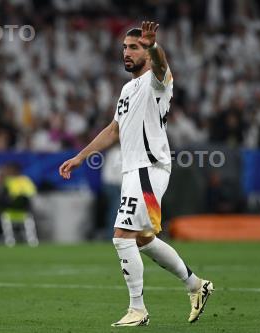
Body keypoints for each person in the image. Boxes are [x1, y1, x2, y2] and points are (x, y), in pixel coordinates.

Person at [59, 21, 213, 327]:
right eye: (125, 48)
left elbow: (162, 64)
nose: (127, 53)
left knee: (121, 236)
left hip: (149, 168)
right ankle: (196, 285)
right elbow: (114, 130)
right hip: (132, 170)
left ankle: (137, 309)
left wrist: (154, 46)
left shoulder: (158, 82)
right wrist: (80, 156)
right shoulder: (127, 88)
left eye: (134, 47)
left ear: (147, 51)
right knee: (142, 238)